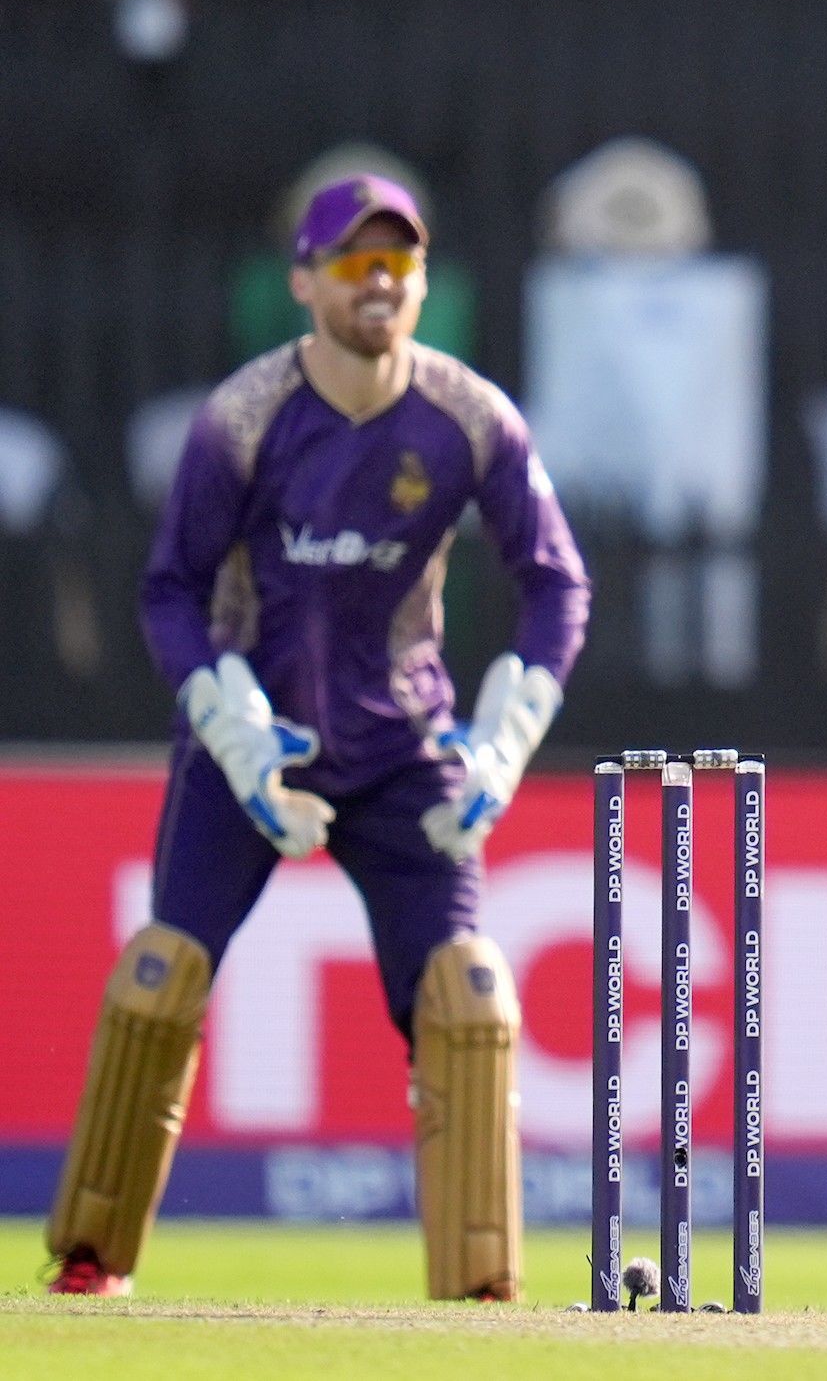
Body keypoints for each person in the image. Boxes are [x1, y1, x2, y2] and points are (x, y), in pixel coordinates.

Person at [45, 175, 590, 1302]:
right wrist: (230, 727)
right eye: (351, 261)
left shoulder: (470, 417)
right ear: (303, 283)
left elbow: (554, 584)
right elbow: (168, 591)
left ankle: (480, 1289)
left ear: (424, 280)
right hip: (261, 742)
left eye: (398, 260)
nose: (377, 279)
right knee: (158, 976)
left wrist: (502, 738)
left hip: (404, 747)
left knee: (468, 997)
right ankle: (90, 1261)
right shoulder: (242, 418)